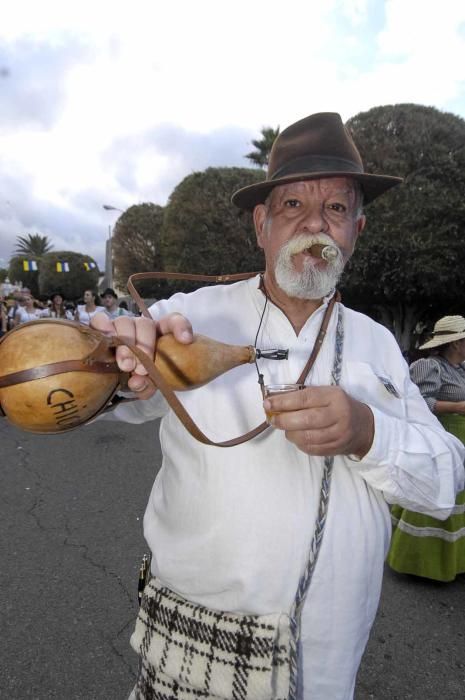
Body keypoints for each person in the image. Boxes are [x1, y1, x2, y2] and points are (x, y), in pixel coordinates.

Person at [91, 113, 464, 700]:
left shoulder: (377, 343)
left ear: (356, 230)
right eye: (293, 205)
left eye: (337, 209)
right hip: (197, 645)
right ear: (262, 225)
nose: (315, 222)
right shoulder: (187, 318)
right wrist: (113, 366)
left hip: (328, 661)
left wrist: (368, 432)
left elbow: (443, 484)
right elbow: (84, 395)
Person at [387, 315, 465, 581]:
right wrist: (458, 407)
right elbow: (417, 403)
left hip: (461, 439)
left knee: (458, 497)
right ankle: (418, 562)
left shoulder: (460, 369)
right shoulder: (430, 366)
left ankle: (454, 560)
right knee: (437, 493)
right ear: (456, 343)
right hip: (440, 437)